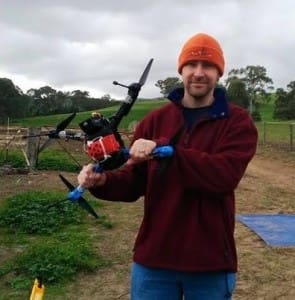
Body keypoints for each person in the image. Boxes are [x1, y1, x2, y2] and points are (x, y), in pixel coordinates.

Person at [77, 33, 258, 300]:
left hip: (210, 262)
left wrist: (165, 150)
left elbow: (223, 176)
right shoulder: (155, 120)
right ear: (181, 70)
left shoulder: (237, 122)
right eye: (191, 65)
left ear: (219, 73)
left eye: (208, 66)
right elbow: (135, 180)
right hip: (154, 261)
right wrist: (103, 182)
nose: (198, 73)